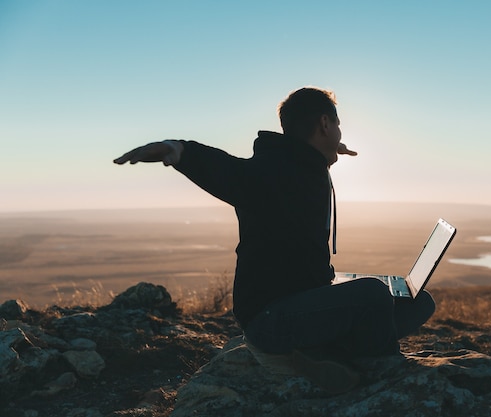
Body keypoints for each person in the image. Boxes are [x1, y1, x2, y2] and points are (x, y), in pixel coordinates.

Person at [114, 87, 435, 393]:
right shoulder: (271, 172)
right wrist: (179, 150)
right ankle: (373, 367)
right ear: (324, 123)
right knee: (374, 295)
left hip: (303, 301)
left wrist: (328, 149)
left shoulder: (304, 163)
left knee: (418, 302)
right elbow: (228, 171)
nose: (340, 132)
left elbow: (299, 154)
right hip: (271, 320)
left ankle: (314, 355)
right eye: (337, 124)